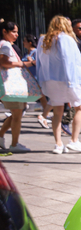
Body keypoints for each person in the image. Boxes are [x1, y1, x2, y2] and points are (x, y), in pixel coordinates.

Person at [37, 15, 81, 154]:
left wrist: (41, 79)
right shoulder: (66, 39)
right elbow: (70, 61)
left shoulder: (43, 39)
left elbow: (39, 61)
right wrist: (73, 79)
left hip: (50, 80)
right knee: (80, 108)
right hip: (67, 78)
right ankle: (74, 141)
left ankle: (58, 144)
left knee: (57, 112)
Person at [0, 21, 30, 152]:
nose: (16, 34)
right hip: (10, 84)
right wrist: (21, 64)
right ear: (4, 32)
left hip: (7, 84)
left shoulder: (4, 44)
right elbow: (4, 62)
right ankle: (14, 144)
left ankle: (1, 136)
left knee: (16, 113)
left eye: (17, 31)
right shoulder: (5, 44)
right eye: (13, 31)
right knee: (17, 115)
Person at [22, 33, 52, 129]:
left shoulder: (35, 52)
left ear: (30, 42)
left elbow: (37, 62)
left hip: (35, 78)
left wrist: (28, 62)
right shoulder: (27, 53)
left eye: (25, 41)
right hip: (28, 78)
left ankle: (45, 115)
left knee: (42, 97)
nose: (23, 43)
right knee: (38, 96)